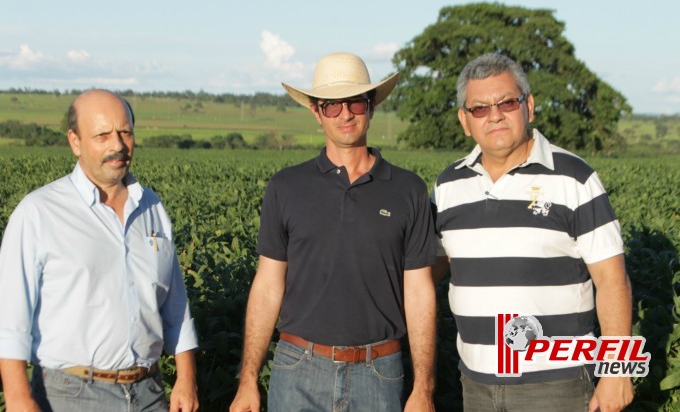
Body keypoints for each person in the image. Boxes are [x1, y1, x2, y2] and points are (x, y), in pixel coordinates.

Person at [229, 52, 438, 412]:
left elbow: (419, 291)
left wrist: (424, 389)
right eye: (331, 106)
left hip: (380, 372)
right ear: (316, 112)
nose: (345, 114)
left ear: (371, 106)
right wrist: (248, 379)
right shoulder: (286, 187)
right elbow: (267, 285)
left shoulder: (409, 190)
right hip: (297, 369)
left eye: (355, 102)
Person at [432, 53, 634, 412]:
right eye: (479, 108)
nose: (494, 115)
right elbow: (430, 270)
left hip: (557, 384)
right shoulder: (449, 185)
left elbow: (613, 279)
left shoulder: (574, 178)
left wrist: (617, 371)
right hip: (476, 383)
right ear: (465, 121)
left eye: (506, 102)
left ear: (529, 106)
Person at [0, 90, 199, 412]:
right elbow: (11, 316)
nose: (117, 145)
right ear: (75, 141)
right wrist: (19, 399)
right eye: (102, 135)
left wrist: (186, 378)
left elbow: (175, 303)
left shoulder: (152, 207)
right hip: (70, 394)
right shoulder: (39, 212)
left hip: (149, 391)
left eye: (125, 132)